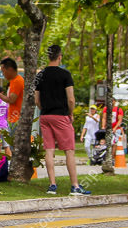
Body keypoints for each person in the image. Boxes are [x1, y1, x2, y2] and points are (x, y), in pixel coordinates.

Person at [33, 44, 91, 196]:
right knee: (69, 151)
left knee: (49, 150)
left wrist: (44, 108)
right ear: (60, 57)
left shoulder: (40, 75)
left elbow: (37, 100)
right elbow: (71, 99)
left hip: (45, 116)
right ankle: (75, 186)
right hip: (61, 115)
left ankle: (52, 185)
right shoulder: (65, 74)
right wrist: (70, 113)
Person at [0, 57, 24, 125]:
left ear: (10, 69)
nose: (3, 74)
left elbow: (12, 100)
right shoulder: (13, 81)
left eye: (3, 71)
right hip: (12, 118)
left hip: (16, 119)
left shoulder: (17, 81)